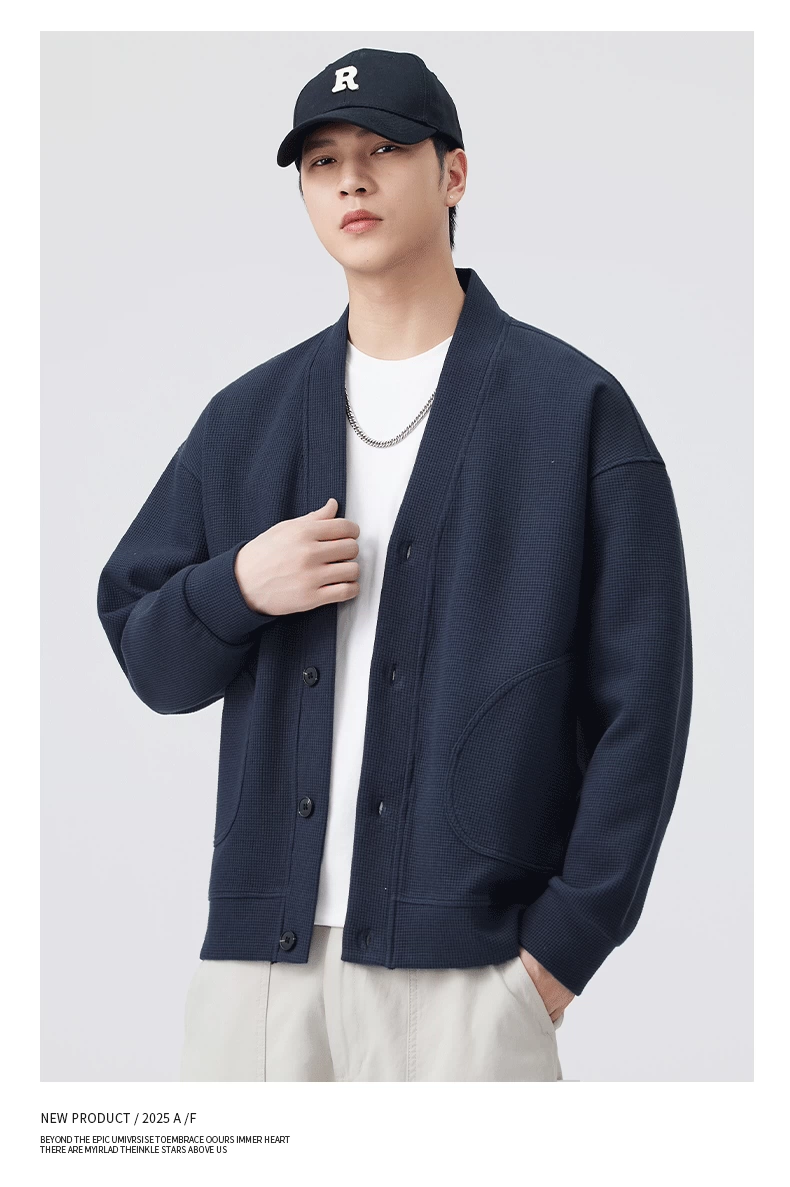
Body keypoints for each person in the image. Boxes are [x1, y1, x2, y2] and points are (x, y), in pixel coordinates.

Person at [96, 47, 693, 1082]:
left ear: (453, 174)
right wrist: (238, 586)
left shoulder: (574, 413)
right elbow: (150, 656)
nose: (351, 182)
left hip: (468, 973)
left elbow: (644, 707)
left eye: (382, 150)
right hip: (258, 978)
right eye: (322, 163)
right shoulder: (246, 420)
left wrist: (561, 951)